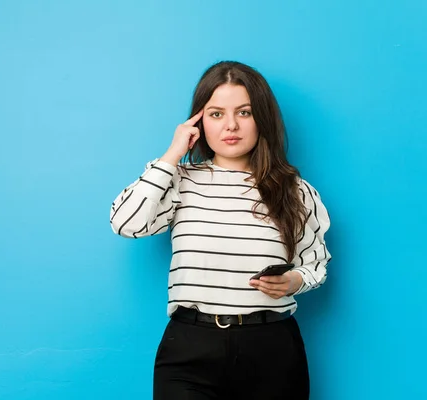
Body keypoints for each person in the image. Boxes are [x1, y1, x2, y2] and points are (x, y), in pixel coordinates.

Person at [109, 61, 332, 400]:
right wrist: (173, 154)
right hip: (189, 348)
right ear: (197, 122)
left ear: (262, 119)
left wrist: (294, 281)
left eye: (244, 112)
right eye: (216, 114)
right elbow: (126, 223)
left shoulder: (294, 189)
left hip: (271, 347)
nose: (231, 125)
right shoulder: (179, 181)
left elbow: (315, 263)